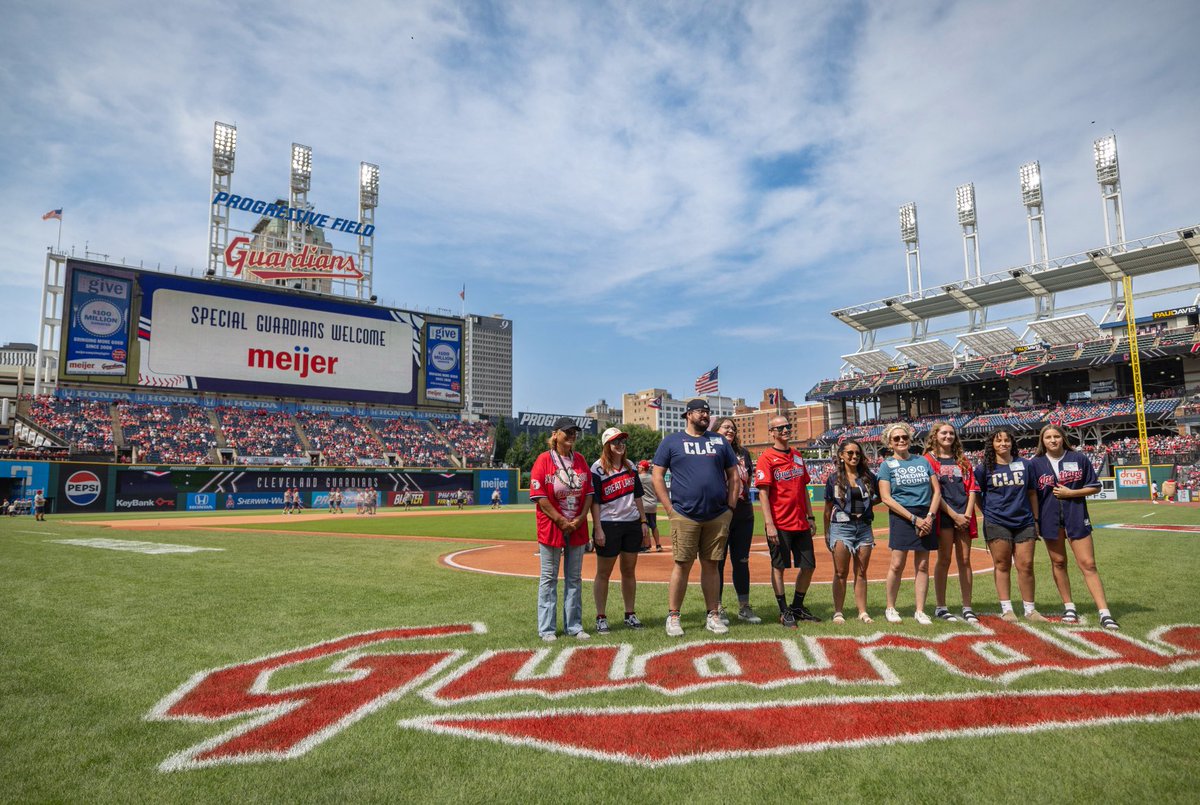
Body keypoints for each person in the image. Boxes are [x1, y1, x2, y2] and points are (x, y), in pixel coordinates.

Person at [652, 399, 738, 637]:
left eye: (707, 412)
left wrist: (730, 508)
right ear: (688, 414)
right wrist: (670, 509)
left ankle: (712, 614)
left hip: (717, 514)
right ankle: (673, 616)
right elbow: (657, 476)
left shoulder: (718, 441)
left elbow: (734, 476)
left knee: (711, 565)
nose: (705, 415)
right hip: (685, 514)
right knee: (682, 565)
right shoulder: (671, 441)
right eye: (701, 411)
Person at [1029, 425, 1120, 629]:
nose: (1053, 440)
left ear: (1063, 438)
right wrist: (1035, 521)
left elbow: (1094, 486)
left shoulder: (1078, 458)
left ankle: (1104, 612)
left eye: (1056, 436)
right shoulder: (1035, 464)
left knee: (1088, 564)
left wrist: (1071, 494)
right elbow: (1032, 494)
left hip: (1077, 517)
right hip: (1049, 520)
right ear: (1042, 441)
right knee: (1059, 562)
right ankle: (1069, 606)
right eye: (1048, 437)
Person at [530, 417, 594, 641]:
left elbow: (588, 493)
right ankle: (547, 629)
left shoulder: (581, 460)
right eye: (567, 432)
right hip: (552, 526)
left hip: (577, 525)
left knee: (574, 578)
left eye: (574, 432)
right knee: (548, 578)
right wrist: (560, 520)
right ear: (555, 434)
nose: (572, 435)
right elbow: (539, 496)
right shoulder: (543, 460)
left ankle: (574, 626)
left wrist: (581, 517)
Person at [974, 427, 1045, 622]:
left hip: (1025, 520)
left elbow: (1032, 493)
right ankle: (1007, 609)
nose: (1003, 443)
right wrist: (987, 512)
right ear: (992, 444)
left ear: (1012, 443)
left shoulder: (1025, 465)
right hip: (997, 521)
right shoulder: (983, 468)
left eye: (1007, 440)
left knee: (1026, 565)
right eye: (998, 440)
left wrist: (1036, 520)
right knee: (1002, 564)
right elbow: (977, 495)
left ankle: (1030, 610)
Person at [756, 415, 820, 628]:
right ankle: (784, 611)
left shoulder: (797, 455)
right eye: (780, 427)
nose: (785, 430)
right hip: (780, 523)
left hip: (800, 522)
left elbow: (803, 488)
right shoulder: (766, 457)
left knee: (809, 566)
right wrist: (769, 523)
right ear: (772, 432)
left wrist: (810, 516)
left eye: (787, 426)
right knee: (779, 567)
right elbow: (763, 494)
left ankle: (797, 606)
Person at [877, 422, 940, 624]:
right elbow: (886, 498)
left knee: (922, 565)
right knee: (897, 564)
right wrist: (913, 519)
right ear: (889, 443)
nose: (901, 441)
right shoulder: (886, 465)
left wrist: (929, 517)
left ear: (909, 439)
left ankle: (920, 610)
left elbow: (936, 491)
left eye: (904, 437)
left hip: (926, 514)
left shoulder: (922, 461)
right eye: (896, 438)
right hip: (903, 516)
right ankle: (891, 608)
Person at [590, 427, 650, 632]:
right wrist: (597, 528)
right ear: (607, 445)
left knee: (628, 571)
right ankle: (601, 616)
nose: (620, 445)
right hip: (609, 524)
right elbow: (595, 502)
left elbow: (637, 496)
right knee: (604, 573)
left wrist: (643, 522)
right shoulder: (597, 469)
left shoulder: (631, 466)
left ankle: (630, 614)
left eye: (622, 441)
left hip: (631, 523)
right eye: (616, 442)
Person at [923, 422, 980, 623]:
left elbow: (972, 489)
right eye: (944, 433)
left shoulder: (962, 460)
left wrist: (966, 514)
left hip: (964, 515)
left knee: (965, 560)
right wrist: (954, 516)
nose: (948, 436)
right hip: (944, 516)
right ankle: (941, 606)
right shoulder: (928, 460)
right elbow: (933, 493)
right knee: (944, 559)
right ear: (935, 435)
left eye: (951, 433)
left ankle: (967, 607)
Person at [822, 439, 878, 624]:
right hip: (841, 528)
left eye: (857, 453)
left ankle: (862, 611)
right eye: (850, 453)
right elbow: (828, 508)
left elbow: (879, 497)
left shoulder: (868, 477)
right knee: (840, 572)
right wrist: (827, 533)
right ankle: (838, 612)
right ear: (841, 455)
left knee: (861, 572)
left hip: (863, 528)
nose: (854, 456)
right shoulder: (833, 479)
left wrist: (865, 508)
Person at [713, 417, 762, 625]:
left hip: (743, 513)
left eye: (733, 428)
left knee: (741, 561)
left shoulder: (743, 454)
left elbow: (747, 479)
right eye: (726, 427)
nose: (730, 430)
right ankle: (717, 607)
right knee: (718, 562)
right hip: (719, 512)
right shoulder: (710, 452)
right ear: (716, 430)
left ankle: (744, 607)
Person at [637, 460, 664, 551]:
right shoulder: (652, 478)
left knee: (645, 525)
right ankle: (658, 545)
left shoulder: (639, 478)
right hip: (653, 505)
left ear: (643, 468)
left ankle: (646, 546)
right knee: (654, 525)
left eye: (639, 467)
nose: (638, 468)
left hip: (644, 505)